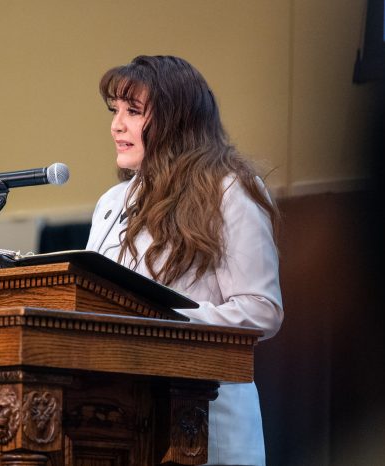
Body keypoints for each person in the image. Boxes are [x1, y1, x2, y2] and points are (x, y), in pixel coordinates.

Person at [86, 55, 283, 466]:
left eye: (133, 112)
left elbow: (261, 311)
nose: (117, 125)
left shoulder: (231, 190)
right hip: (123, 422)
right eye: (115, 111)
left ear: (177, 119)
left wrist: (163, 322)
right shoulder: (111, 203)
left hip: (208, 417)